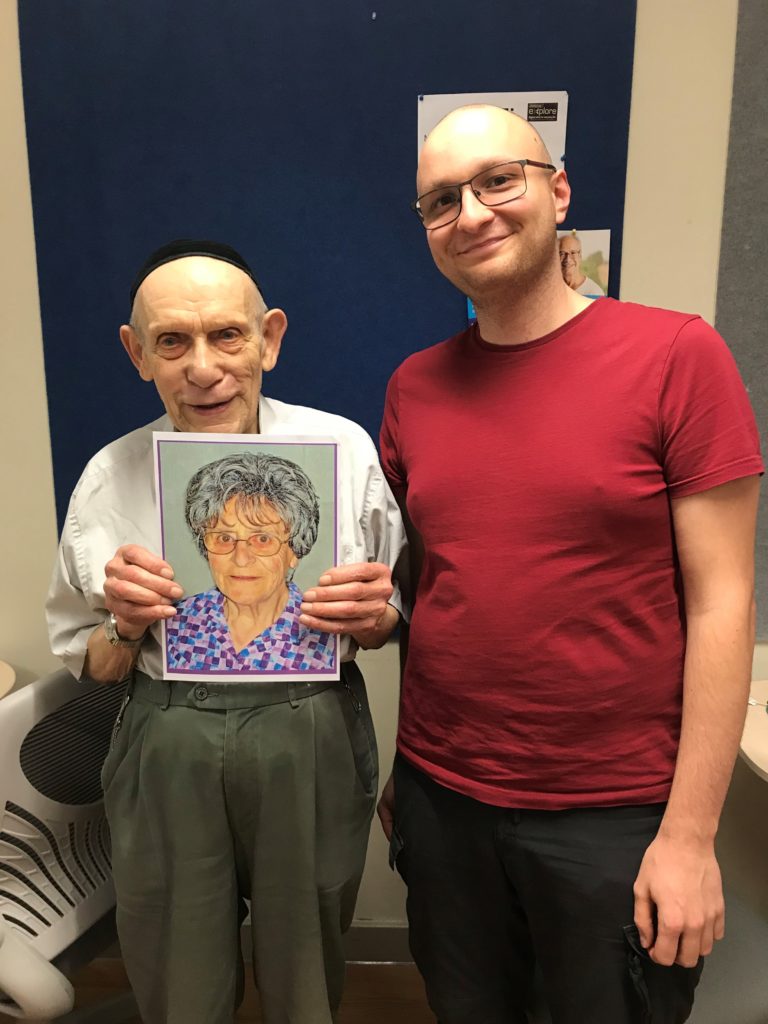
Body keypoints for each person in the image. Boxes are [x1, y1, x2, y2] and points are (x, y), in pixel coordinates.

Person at [378, 105, 762, 1024]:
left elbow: (723, 603)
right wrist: (405, 769)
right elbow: (426, 591)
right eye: (440, 200)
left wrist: (690, 837)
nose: (470, 213)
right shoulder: (413, 388)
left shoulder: (677, 354)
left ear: (558, 191)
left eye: (498, 180)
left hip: (616, 816)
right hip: (443, 803)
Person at [46, 239, 405, 1024]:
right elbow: (96, 664)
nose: (201, 366)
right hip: (168, 729)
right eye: (172, 341)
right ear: (137, 354)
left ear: (269, 339)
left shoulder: (341, 451)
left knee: (304, 963)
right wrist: (124, 621)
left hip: (307, 725)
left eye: (227, 336)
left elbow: (386, 618)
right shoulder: (111, 476)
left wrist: (372, 618)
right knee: (178, 963)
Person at [167, 451, 335, 673]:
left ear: (295, 550)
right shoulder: (178, 623)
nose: (241, 558)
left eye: (263, 539)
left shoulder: (322, 629)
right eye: (224, 538)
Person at [558, 231, 604, 295]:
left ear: (580, 255)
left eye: (573, 252)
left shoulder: (594, 292)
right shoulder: (550, 289)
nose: (567, 259)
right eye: (562, 253)